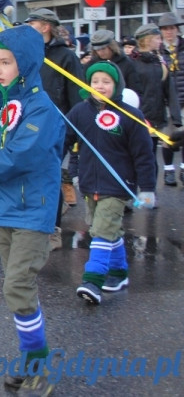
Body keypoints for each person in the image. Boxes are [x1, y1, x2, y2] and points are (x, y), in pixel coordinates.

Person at [0, 25, 65, 395]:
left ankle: (37, 363)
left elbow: (22, 155)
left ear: (28, 62)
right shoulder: (7, 106)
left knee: (17, 286)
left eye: (7, 62)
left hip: (34, 212)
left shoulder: (42, 108)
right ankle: (29, 354)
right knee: (20, 291)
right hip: (5, 209)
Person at [65, 61, 155, 305]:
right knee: (105, 229)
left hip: (116, 186)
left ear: (116, 85)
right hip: (89, 184)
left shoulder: (130, 116)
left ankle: (92, 281)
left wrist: (147, 189)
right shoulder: (80, 112)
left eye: (106, 82)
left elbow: (144, 155)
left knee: (101, 233)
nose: (100, 86)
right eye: (95, 81)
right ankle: (119, 273)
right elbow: (64, 139)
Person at [24, 8, 84, 248]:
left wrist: (71, 130)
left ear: (46, 26)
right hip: (29, 124)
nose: (29, 27)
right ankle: (35, 224)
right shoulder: (29, 53)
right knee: (31, 176)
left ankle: (53, 230)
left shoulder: (66, 57)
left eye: (33, 23)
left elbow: (75, 96)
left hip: (56, 127)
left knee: (50, 177)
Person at [131, 22, 181, 185]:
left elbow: (169, 90)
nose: (160, 41)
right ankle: (131, 192)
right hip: (136, 117)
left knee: (151, 156)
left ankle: (150, 191)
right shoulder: (131, 62)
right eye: (157, 38)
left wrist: (176, 117)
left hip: (155, 117)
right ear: (147, 40)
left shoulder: (159, 62)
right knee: (135, 156)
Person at [158, 12, 184, 184]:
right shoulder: (157, 50)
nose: (169, 32)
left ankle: (183, 168)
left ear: (177, 30)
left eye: (172, 28)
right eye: (165, 29)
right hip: (166, 100)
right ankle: (168, 170)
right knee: (168, 136)